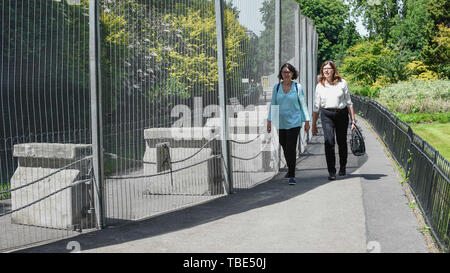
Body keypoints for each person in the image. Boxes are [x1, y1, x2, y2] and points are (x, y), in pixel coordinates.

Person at [311, 60, 356, 180]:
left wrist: (353, 121)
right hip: (326, 115)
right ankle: (331, 170)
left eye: (329, 68)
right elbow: (316, 107)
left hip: (341, 114)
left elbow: (349, 103)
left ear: (333, 70)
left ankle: (342, 167)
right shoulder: (320, 85)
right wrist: (314, 124)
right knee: (329, 142)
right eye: (324, 69)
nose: (326, 71)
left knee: (341, 142)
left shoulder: (342, 83)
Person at [267, 63, 310, 185]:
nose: (286, 74)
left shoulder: (298, 87)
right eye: (284, 72)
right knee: (284, 146)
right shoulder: (276, 88)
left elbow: (303, 105)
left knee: (291, 147)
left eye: (288, 72)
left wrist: (307, 121)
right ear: (281, 74)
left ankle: (292, 174)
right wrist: (270, 121)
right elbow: (273, 105)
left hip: (295, 122)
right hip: (281, 122)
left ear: (292, 74)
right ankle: (291, 168)